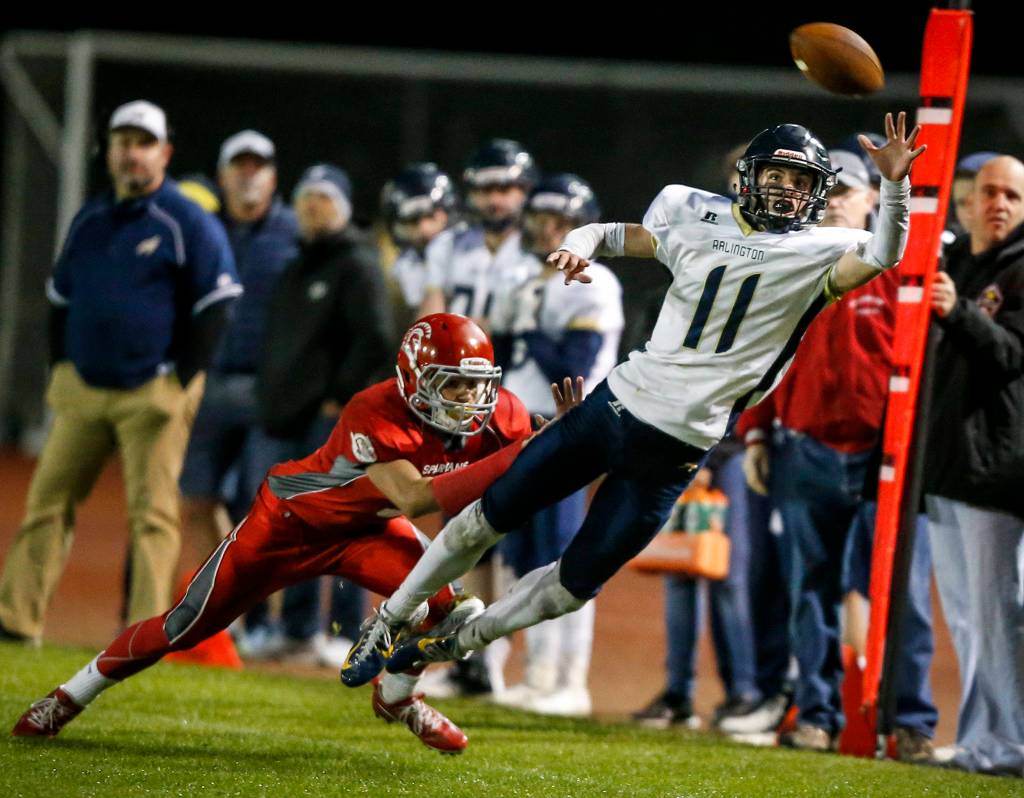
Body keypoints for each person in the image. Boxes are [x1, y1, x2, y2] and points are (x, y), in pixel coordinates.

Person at [343, 113, 926, 718]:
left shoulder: (820, 250)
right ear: (749, 177)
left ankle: (452, 645)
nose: (786, 189)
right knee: (482, 519)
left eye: (800, 181)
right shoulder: (695, 212)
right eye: (776, 174)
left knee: (572, 587)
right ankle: (388, 620)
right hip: (614, 406)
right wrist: (576, 245)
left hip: (678, 448)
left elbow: (886, 252)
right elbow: (616, 235)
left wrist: (896, 186)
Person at [11, 314, 583, 754]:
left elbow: (527, 446)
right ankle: (67, 697)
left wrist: (559, 437)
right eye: (453, 385)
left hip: (365, 531)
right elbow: (414, 496)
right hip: (286, 525)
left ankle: (398, 698)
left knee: (439, 606)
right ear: (413, 380)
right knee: (183, 626)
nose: (469, 401)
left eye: (475, 385)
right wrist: (520, 456)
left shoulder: (499, 412)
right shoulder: (374, 409)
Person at [0, 100, 241, 642]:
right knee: (46, 504)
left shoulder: (185, 219)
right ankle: (15, 622)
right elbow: (59, 298)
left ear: (164, 153)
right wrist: (59, 367)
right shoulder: (90, 218)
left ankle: (142, 639)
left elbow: (219, 302)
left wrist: (181, 380)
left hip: (150, 391)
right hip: (84, 388)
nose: (132, 153)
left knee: (152, 516)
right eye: (123, 142)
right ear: (109, 151)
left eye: (143, 143)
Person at [737, 149, 938, 757]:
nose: (831, 201)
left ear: (870, 199)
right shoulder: (790, 261)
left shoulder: (897, 266)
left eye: (845, 191)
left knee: (901, 590)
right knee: (809, 593)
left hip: (886, 454)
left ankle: (911, 722)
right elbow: (762, 356)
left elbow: (924, 362)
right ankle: (817, 715)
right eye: (827, 191)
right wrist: (756, 432)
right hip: (804, 449)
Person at [244, 163, 392, 666]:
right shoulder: (298, 263)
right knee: (294, 523)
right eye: (306, 196)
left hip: (328, 420)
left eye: (325, 197)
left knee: (341, 523)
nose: (313, 206)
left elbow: (375, 338)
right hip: (286, 416)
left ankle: (344, 629)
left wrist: (338, 396)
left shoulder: (356, 263)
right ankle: (300, 626)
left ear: (344, 207)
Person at [490, 173, 624, 716]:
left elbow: (571, 365)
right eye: (543, 221)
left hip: (568, 423)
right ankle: (537, 672)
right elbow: (500, 356)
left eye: (563, 223)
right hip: (520, 423)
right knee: (523, 553)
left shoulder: (597, 281)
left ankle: (570, 679)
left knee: (563, 551)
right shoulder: (527, 278)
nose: (550, 231)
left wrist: (529, 329)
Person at [924, 155, 1024, 777]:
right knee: (968, 617)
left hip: (995, 466)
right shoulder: (964, 262)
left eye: (1012, 194)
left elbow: (1013, 352)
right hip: (950, 465)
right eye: (989, 192)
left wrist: (955, 310)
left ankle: (1011, 744)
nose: (1000, 203)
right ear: (967, 202)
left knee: (997, 614)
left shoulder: (1017, 271)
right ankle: (982, 741)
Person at [179, 130, 298, 556]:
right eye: (239, 166)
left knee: (267, 506)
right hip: (208, 381)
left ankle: (266, 614)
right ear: (221, 176)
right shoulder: (200, 229)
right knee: (195, 498)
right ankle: (226, 603)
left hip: (270, 388)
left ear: (273, 177)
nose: (249, 175)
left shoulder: (295, 232)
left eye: (259, 167)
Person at [417, 138, 539, 324]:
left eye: (504, 189)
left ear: (526, 191)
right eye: (484, 190)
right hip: (456, 352)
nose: (494, 201)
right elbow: (428, 324)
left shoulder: (543, 252)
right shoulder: (447, 244)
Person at [381, 163, 458, 328]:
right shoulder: (399, 270)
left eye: (431, 216)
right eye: (411, 221)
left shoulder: (473, 254)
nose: (424, 229)